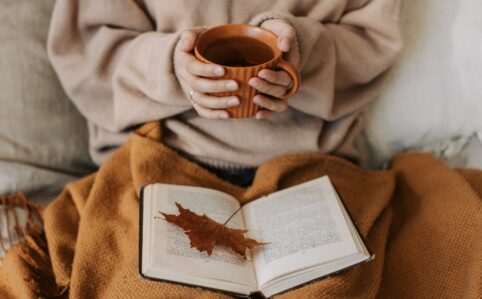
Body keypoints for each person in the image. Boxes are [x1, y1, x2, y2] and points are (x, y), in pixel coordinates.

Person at [48, 0, 402, 187]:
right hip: (160, 156)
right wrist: (170, 66)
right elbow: (86, 52)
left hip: (313, 163)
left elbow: (373, 41)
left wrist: (303, 52)